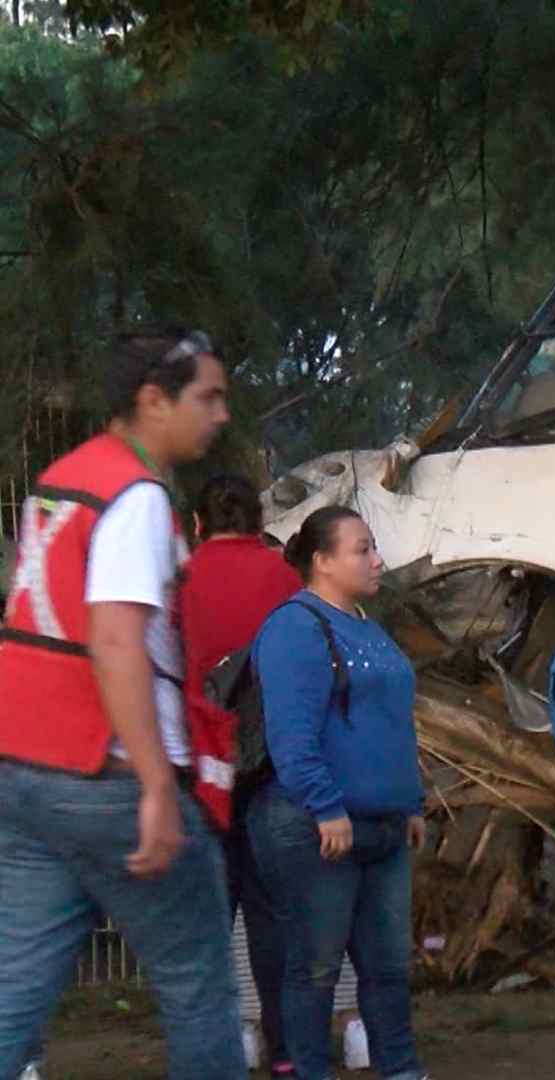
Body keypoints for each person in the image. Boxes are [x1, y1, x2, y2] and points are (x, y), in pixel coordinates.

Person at [0, 328, 243, 1080]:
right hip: (108, 773)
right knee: (199, 982)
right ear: (152, 400)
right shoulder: (133, 498)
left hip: (28, 770)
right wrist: (154, 785)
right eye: (208, 397)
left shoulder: (61, 481)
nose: (222, 415)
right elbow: (113, 641)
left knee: (13, 987)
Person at [247, 507, 428, 1080]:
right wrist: (326, 807)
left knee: (388, 965)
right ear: (322, 561)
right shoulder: (295, 627)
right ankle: (308, 1070)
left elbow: (395, 722)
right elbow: (291, 735)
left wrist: (410, 802)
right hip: (318, 827)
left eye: (373, 547)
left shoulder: (368, 626)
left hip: (384, 825)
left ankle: (400, 1068)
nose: (376, 560)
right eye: (362, 549)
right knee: (316, 965)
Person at [180, 473, 304, 1077]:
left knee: (208, 917)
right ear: (258, 522)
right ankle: (284, 1051)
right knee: (271, 914)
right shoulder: (284, 577)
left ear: (198, 524)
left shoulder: (181, 580)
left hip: (202, 765)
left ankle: (219, 1049)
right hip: (273, 763)